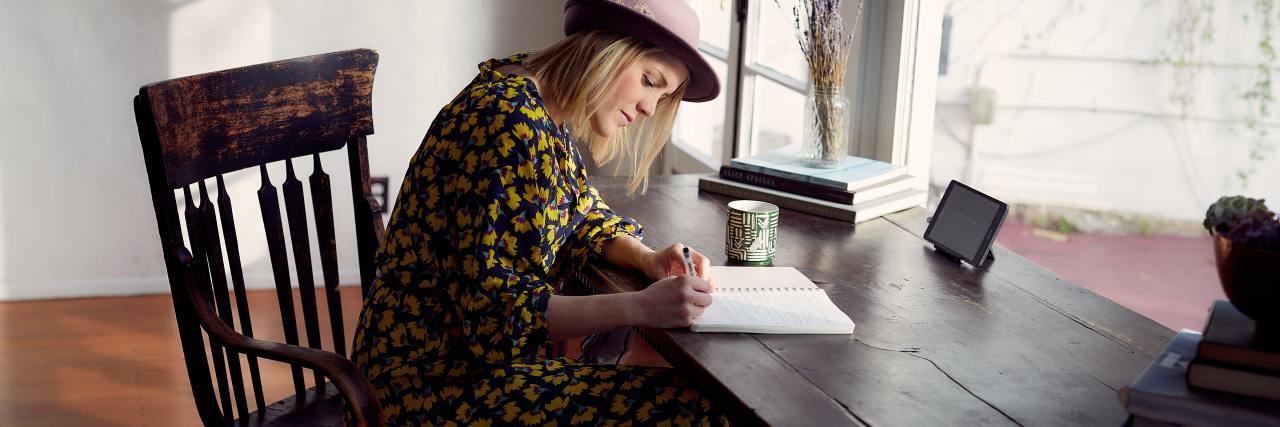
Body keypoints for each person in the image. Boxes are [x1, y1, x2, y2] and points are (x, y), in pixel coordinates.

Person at [349, 0, 730, 424]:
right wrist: (639, 306)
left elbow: (577, 210)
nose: (648, 108)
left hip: (450, 367)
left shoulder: (532, 95)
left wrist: (646, 257)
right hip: (428, 386)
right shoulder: (511, 122)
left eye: (662, 96)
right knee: (697, 409)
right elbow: (495, 320)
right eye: (648, 80)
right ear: (604, 48)